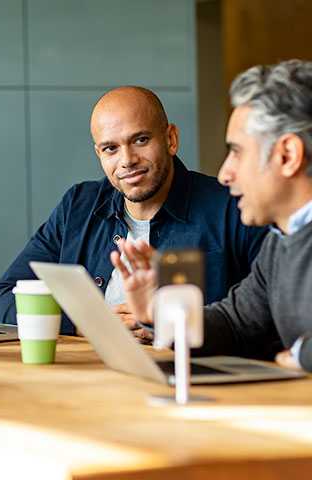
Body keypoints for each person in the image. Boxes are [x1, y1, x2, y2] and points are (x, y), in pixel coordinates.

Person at [0, 86, 267, 336]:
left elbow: (271, 316)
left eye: (141, 140)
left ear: (170, 139)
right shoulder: (78, 206)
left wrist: (164, 324)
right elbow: (0, 301)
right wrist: (88, 322)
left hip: (187, 378)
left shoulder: (234, 207)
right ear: (99, 154)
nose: (127, 160)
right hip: (85, 380)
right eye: (111, 148)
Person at [112, 59, 312, 371]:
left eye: (237, 152)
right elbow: (235, 323)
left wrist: (302, 356)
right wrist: (160, 313)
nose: (225, 174)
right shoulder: (280, 242)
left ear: (288, 156)